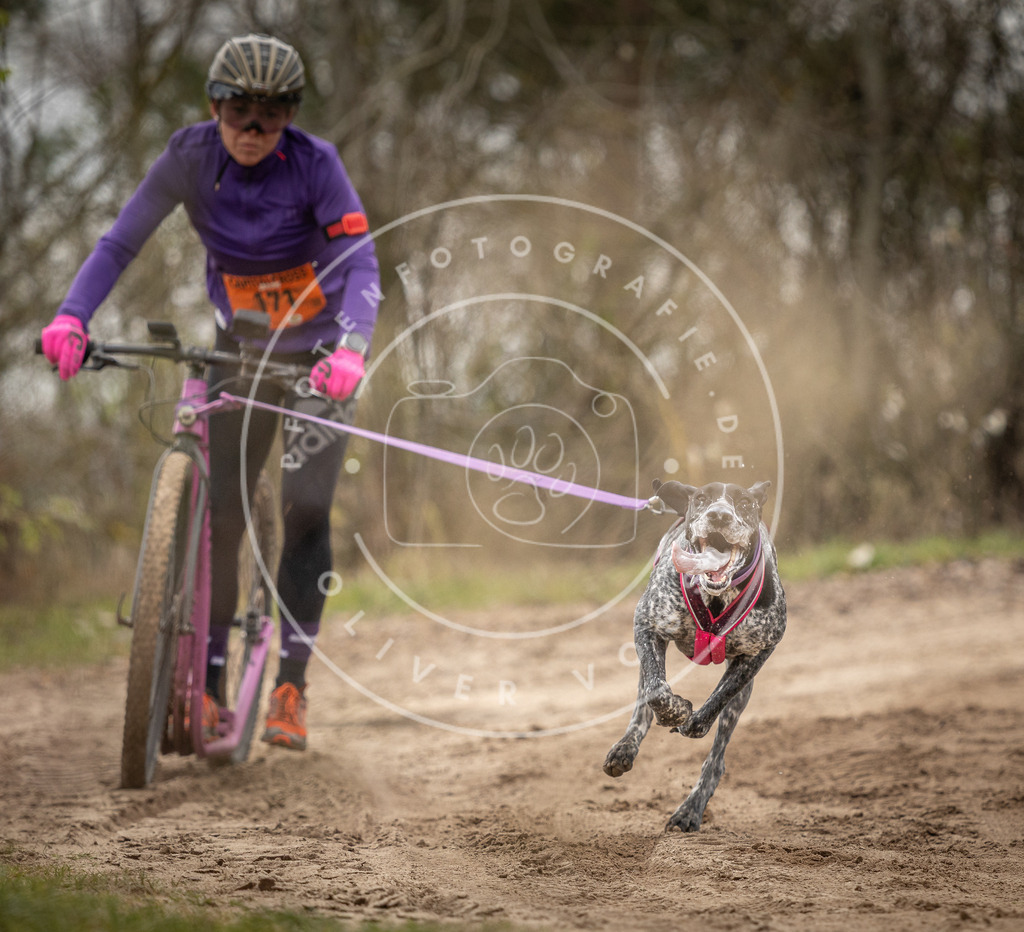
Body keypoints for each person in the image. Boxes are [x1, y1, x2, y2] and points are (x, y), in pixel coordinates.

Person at [40, 33, 380, 752]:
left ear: (289, 115)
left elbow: (360, 261)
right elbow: (120, 243)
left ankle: (290, 682)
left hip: (320, 356)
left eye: (271, 114)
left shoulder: (316, 166)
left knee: (307, 508)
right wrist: (73, 315)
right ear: (213, 107)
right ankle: (214, 684)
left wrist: (351, 349)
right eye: (238, 112)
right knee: (224, 515)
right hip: (244, 345)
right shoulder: (190, 157)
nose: (253, 130)